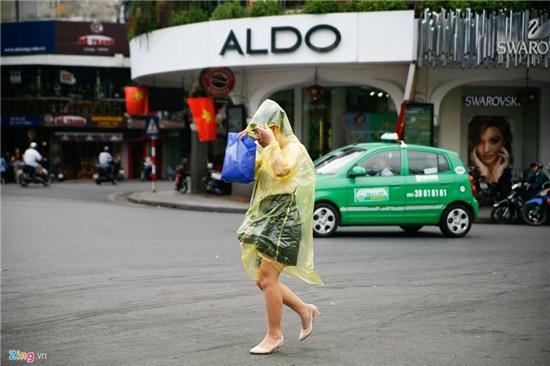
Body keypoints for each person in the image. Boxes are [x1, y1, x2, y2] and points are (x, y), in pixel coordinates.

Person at [237, 99, 323, 355]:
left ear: (274, 127)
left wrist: (271, 145)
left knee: (267, 277)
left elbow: (282, 169)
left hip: (285, 217)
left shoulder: (294, 148)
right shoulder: (265, 148)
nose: (260, 135)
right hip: (266, 216)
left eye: (262, 130)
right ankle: (304, 310)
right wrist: (243, 147)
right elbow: (249, 174)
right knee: (262, 280)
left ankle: (274, 335)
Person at [468, 116, 513, 200]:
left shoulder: (507, 172)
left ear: (504, 142)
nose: (486, 149)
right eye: (479, 142)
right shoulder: (472, 172)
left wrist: (498, 172)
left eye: (494, 141)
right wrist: (483, 171)